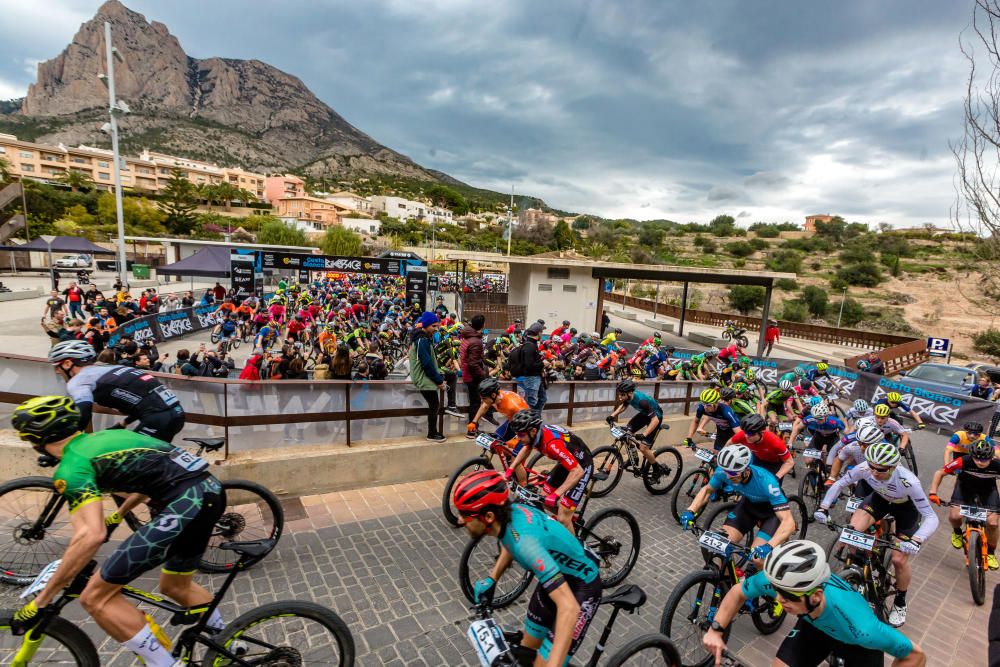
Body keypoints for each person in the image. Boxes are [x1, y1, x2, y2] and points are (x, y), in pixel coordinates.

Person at [10, 396, 227, 667]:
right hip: (208, 491)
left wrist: (41, 602)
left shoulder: (72, 467)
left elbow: (90, 535)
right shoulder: (103, 439)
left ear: (35, 440)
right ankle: (231, 644)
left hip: (185, 503)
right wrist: (120, 513)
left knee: (94, 597)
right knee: (175, 585)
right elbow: (153, 474)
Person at [453, 470, 601, 667]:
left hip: (582, 588)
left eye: (465, 514)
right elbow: (510, 541)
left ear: (488, 516)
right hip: (558, 578)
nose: (460, 521)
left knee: (544, 664)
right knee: (526, 651)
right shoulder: (510, 515)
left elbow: (570, 607)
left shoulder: (526, 546)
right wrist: (493, 578)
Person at [702, 540, 926, 666]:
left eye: (788, 597)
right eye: (779, 592)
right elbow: (736, 592)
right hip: (815, 624)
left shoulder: (863, 629)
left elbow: (915, 656)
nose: (779, 600)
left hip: (853, 641)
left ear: (816, 595)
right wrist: (716, 629)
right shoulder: (782, 583)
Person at [816, 442, 939, 627]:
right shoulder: (866, 466)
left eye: (880, 470)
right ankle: (856, 567)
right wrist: (823, 507)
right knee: (852, 529)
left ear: (893, 466)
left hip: (906, 508)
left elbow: (931, 517)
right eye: (871, 466)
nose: (873, 472)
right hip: (880, 498)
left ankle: (900, 601)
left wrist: (916, 540)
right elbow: (840, 483)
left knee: (899, 560)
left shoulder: (909, 481)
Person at [680, 444, 798, 566]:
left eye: (732, 472)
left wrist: (769, 546)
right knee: (720, 550)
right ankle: (724, 583)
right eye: (725, 471)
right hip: (748, 506)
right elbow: (707, 490)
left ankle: (762, 581)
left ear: (746, 470)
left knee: (757, 560)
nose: (727, 476)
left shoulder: (767, 482)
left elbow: (789, 523)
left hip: (771, 513)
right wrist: (691, 510)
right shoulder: (723, 472)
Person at [49, 340, 186, 443]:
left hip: (158, 418)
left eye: (57, 366)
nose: (56, 371)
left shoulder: (79, 380)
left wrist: (66, 443)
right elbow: (143, 398)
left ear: (67, 364)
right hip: (176, 413)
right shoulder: (109, 368)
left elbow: (84, 411)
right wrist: (123, 424)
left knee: (123, 465)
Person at [506, 409, 594, 533]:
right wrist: (510, 469)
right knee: (544, 498)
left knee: (563, 519)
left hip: (581, 466)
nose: (518, 438)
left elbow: (577, 472)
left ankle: (576, 550)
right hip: (568, 463)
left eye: (520, 435)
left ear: (533, 431)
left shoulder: (552, 445)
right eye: (516, 434)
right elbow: (527, 447)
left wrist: (557, 494)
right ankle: (571, 521)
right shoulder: (534, 436)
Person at [928, 437, 1000, 567]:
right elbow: (939, 473)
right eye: (976, 458)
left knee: (993, 523)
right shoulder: (962, 461)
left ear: (992, 457)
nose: (980, 462)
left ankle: (990, 553)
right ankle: (957, 532)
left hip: (988, 491)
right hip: (964, 489)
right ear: (971, 455)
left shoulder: (997, 465)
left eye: (985, 459)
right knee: (955, 516)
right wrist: (933, 492)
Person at [607, 379, 670, 476]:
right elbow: (624, 405)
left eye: (622, 395)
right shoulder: (628, 396)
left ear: (630, 393)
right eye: (619, 394)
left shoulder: (642, 402)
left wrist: (644, 434)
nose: (620, 397)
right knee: (626, 433)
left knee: (643, 448)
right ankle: (634, 458)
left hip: (656, 417)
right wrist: (612, 415)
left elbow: (655, 420)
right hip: (645, 414)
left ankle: (657, 469)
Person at [409, 312, 447, 441]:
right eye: (434, 326)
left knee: (451, 376)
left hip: (424, 376)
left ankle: (451, 406)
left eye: (437, 326)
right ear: (425, 325)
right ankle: (432, 433)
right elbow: (426, 363)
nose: (436, 329)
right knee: (434, 404)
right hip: (422, 378)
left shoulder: (423, 339)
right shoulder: (422, 340)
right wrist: (439, 381)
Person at [729, 414, 794, 481]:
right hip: (758, 459)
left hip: (774, 464)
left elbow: (789, 462)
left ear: (762, 432)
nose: (746, 436)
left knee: (771, 485)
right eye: (745, 432)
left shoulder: (774, 441)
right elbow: (729, 443)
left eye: (751, 434)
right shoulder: (743, 435)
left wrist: (776, 477)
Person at [684, 387, 741, 452]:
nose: (705, 407)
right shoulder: (702, 407)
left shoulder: (726, 411)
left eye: (708, 405)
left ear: (716, 404)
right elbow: (696, 421)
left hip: (733, 432)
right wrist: (689, 438)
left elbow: (739, 433)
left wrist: (728, 445)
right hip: (721, 432)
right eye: (703, 403)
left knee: (725, 454)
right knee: (716, 454)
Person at [508, 322, 547, 411]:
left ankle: (535, 418)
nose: (542, 334)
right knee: (531, 403)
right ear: (539, 333)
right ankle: (530, 422)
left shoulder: (531, 345)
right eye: (542, 332)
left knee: (542, 399)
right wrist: (542, 364)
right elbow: (529, 365)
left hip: (535, 377)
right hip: (531, 378)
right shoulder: (530, 346)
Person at [460, 314, 487, 424]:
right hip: (473, 377)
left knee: (474, 402)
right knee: (475, 403)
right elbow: (473, 363)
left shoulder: (467, 337)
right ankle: (472, 429)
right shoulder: (476, 341)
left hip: (467, 373)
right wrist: (483, 375)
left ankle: (473, 427)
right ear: (482, 325)